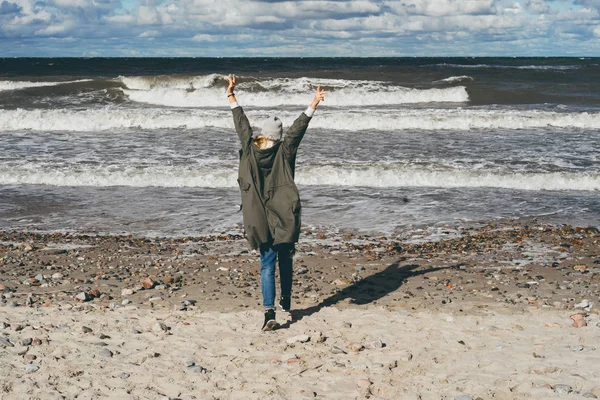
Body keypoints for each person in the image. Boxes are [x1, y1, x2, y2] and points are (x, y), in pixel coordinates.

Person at [225, 74, 328, 330]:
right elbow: (297, 131)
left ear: (261, 135)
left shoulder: (249, 148)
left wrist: (231, 94)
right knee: (286, 257)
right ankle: (286, 298)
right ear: (278, 138)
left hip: (259, 215)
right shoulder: (285, 151)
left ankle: (269, 313)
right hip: (284, 214)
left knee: (266, 264)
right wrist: (313, 104)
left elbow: (241, 122)